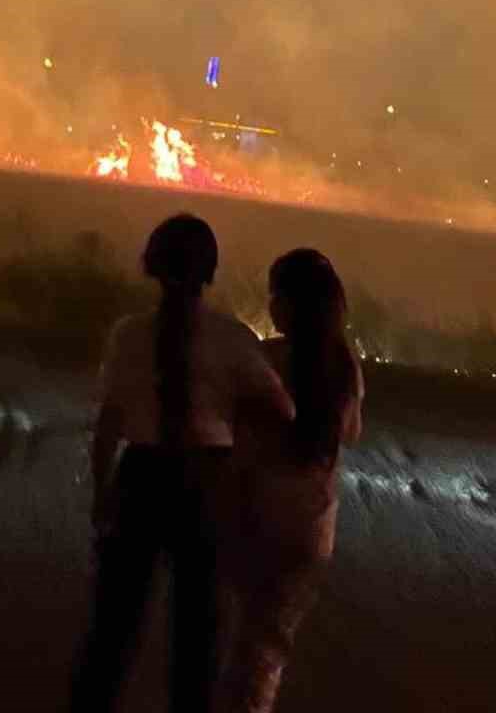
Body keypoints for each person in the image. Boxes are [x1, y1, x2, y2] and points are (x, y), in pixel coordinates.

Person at [70, 213, 294, 713]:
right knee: (197, 639)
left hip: (141, 476)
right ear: (209, 272)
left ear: (151, 264)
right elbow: (283, 410)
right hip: (206, 483)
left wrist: (102, 493)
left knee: (113, 631)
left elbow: (108, 423)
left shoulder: (128, 335)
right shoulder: (233, 339)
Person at [219, 249, 364, 713]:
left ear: (287, 303)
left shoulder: (262, 361)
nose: (270, 305)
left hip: (250, 515)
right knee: (265, 651)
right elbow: (349, 434)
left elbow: (231, 429)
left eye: (274, 295)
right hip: (309, 527)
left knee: (226, 643)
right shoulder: (344, 367)